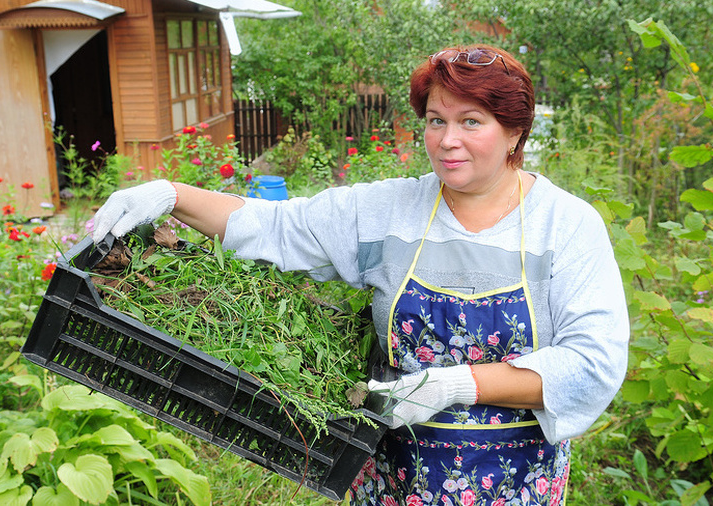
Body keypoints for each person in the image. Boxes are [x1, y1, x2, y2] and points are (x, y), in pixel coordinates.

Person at [92, 43, 630, 505]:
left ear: (515, 132)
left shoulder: (565, 225)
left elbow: (593, 363)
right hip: (393, 475)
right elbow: (277, 227)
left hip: (516, 482)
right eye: (436, 120)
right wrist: (172, 194)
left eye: (471, 121)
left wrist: (457, 384)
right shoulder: (390, 211)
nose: (447, 140)